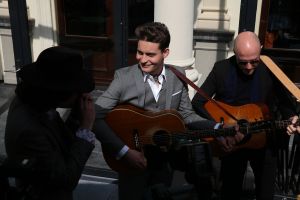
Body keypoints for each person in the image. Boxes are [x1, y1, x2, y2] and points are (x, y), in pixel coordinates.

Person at [93, 22, 223, 200]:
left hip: (165, 162)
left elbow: (186, 115)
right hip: (132, 163)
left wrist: (217, 128)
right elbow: (94, 116)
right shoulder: (123, 78)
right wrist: (124, 151)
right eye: (140, 52)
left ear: (165, 53)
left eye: (150, 54)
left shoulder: (178, 76)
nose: (142, 59)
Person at [191, 31, 296, 200]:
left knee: (265, 191)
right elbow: (197, 102)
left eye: (254, 61)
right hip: (233, 141)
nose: (248, 67)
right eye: (243, 62)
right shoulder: (221, 69)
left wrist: (291, 117)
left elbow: (285, 101)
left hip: (265, 139)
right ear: (234, 53)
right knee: (230, 191)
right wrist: (218, 129)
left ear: (261, 49)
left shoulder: (272, 68)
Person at [4, 46, 96, 200]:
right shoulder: (30, 131)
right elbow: (66, 179)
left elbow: (59, 142)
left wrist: (75, 117)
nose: (83, 93)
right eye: (77, 90)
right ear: (60, 93)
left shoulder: (37, 102)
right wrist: (86, 127)